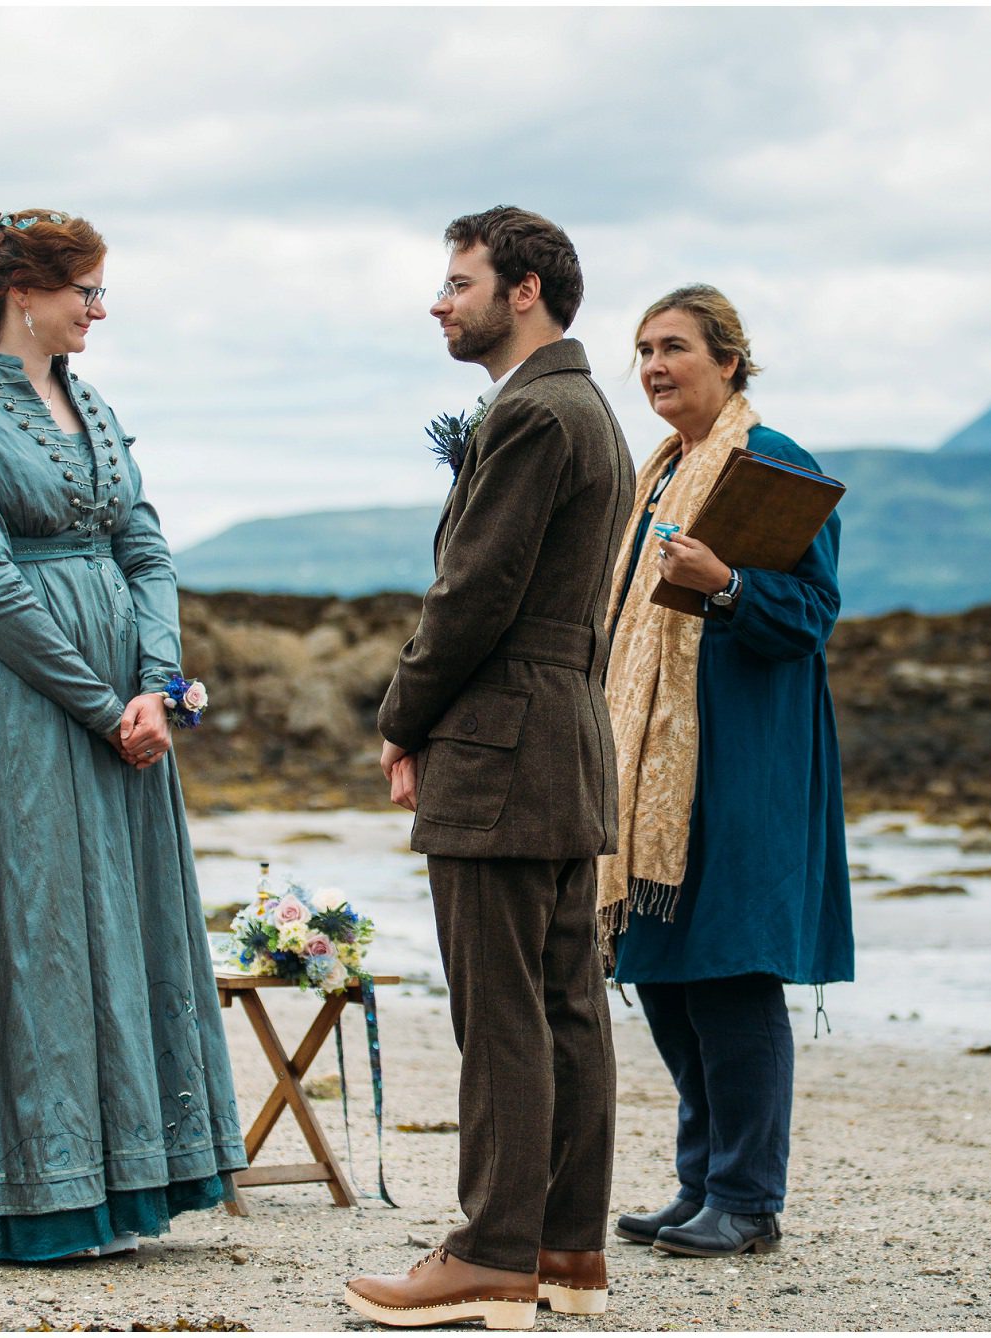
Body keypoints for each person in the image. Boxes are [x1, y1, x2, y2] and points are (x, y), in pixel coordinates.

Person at [0, 209, 246, 1267]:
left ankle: (120, 1176)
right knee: (30, 923)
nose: (98, 308)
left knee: (113, 921)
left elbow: (146, 548)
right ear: (18, 291)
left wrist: (160, 688)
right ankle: (12, 1187)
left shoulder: (92, 403)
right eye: (84, 288)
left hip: (123, 704)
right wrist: (97, 702)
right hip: (13, 705)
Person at [344, 207, 634, 1329]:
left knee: (503, 1011)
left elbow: (472, 592)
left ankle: (492, 1254)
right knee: (565, 1005)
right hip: (565, 738)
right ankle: (566, 1251)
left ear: (524, 292)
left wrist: (402, 717)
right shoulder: (588, 410)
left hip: (501, 746)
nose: (438, 299)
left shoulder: (533, 415)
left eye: (457, 281)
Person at [600, 285, 854, 1259]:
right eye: (644, 352)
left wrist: (730, 586)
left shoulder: (772, 462)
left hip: (745, 757)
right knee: (664, 968)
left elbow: (811, 616)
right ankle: (702, 1180)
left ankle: (748, 1200)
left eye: (673, 348)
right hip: (659, 764)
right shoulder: (657, 471)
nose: (655, 368)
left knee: (731, 971)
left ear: (729, 362)